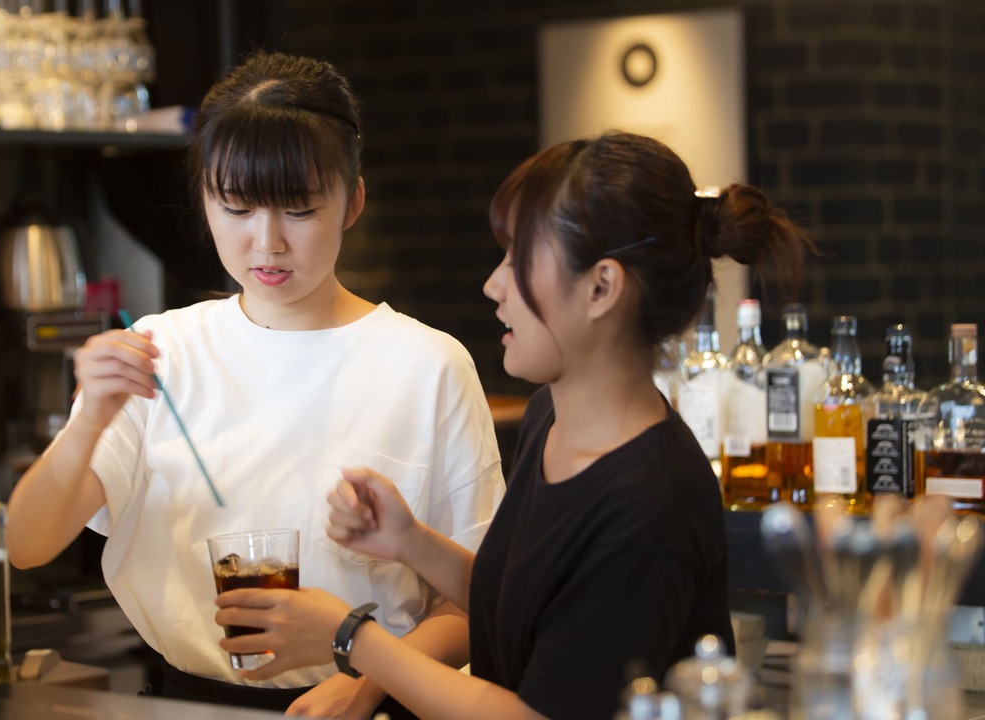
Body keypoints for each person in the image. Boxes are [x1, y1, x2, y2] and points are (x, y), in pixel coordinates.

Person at [213, 131, 816, 719]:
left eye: (518, 258)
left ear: (602, 287)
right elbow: (527, 607)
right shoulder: (551, 417)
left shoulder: (650, 500)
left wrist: (353, 639)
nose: (493, 285)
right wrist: (410, 541)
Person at [5, 51, 504, 718]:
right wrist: (92, 416)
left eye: (298, 211)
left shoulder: (428, 366)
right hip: (182, 703)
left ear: (352, 202)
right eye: (235, 207)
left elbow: (484, 600)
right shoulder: (163, 352)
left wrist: (367, 678)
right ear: (205, 198)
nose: (265, 244)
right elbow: (25, 545)